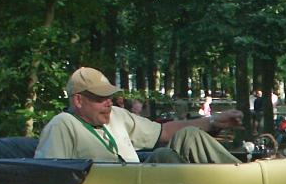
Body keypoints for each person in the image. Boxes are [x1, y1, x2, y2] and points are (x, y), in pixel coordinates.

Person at [35, 67, 241, 164]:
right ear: (78, 101)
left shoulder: (116, 115)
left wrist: (214, 121)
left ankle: (244, 180)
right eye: (100, 97)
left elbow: (164, 131)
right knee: (164, 156)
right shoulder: (63, 125)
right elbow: (49, 178)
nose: (108, 102)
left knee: (189, 135)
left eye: (109, 96)